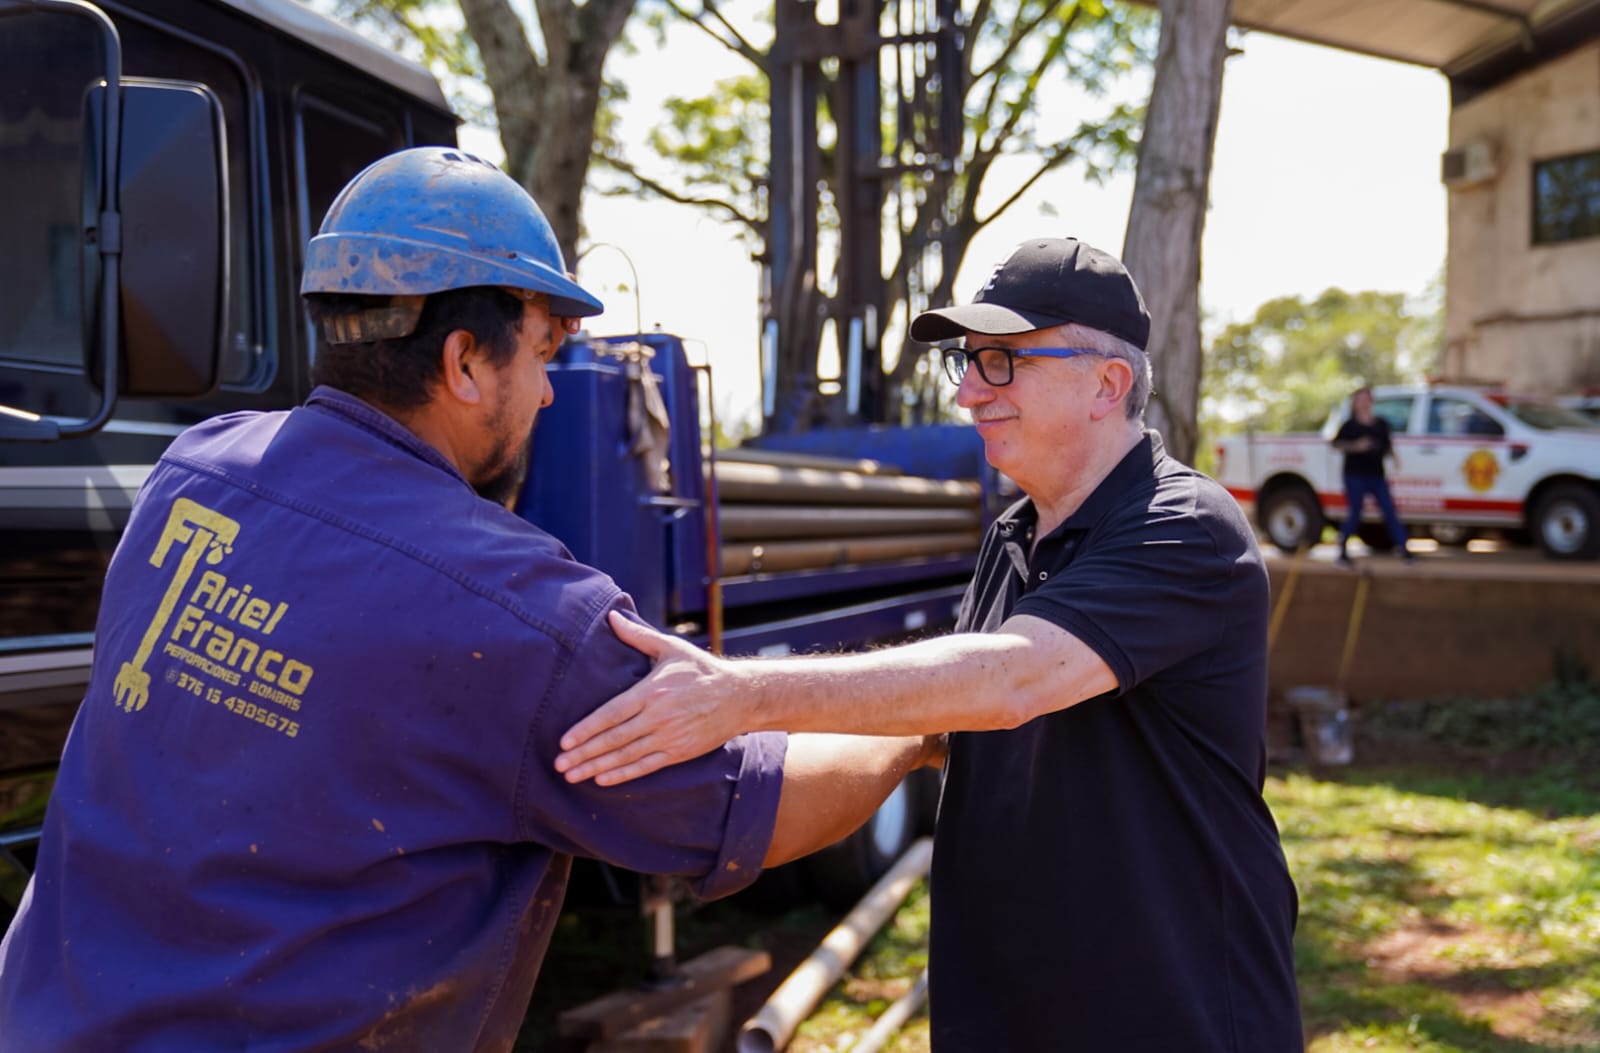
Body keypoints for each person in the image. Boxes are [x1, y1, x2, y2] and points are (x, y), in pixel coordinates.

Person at [0, 147, 937, 1052]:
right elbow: (756, 807)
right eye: (541, 353)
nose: (549, 393)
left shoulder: (190, 474)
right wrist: (924, 723)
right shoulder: (523, 615)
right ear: (463, 361)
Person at [557, 237, 1305, 1052]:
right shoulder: (1015, 533)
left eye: (1001, 362)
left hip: (1168, 1009)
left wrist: (741, 693)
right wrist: (708, 809)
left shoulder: (1184, 528)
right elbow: (943, 728)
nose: (970, 394)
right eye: (967, 362)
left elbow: (1010, 679)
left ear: (1107, 382)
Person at [1333, 385, 1415, 563]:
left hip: (1376, 475)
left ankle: (1404, 549)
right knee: (1355, 513)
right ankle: (1342, 552)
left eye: (1366, 399)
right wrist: (1356, 446)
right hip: (1355, 475)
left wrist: (1394, 458)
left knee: (1389, 510)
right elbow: (1336, 444)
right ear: (1355, 403)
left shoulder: (1381, 424)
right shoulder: (1349, 426)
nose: (1363, 403)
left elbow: (1388, 445)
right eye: (1359, 400)